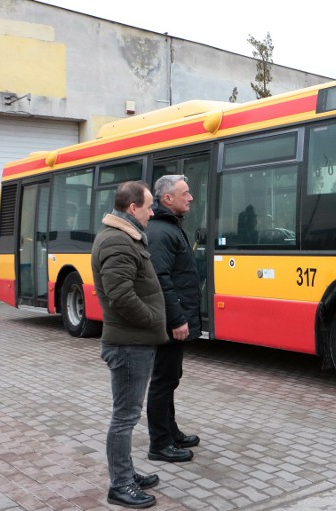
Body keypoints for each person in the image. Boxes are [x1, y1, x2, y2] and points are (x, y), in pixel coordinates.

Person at [91, 180, 168, 508]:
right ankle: (120, 485)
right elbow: (120, 296)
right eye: (149, 206)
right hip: (128, 345)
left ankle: (126, 472)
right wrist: (151, 319)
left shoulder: (123, 236)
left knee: (127, 414)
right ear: (133, 208)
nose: (153, 212)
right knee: (125, 416)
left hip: (132, 342)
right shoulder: (118, 241)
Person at [145, 175, 202, 463]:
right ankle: (159, 444)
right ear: (167, 199)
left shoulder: (171, 228)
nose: (190, 197)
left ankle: (171, 432)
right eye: (185, 193)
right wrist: (177, 319)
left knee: (170, 378)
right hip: (168, 322)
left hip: (172, 319)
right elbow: (161, 280)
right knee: (163, 381)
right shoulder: (161, 232)